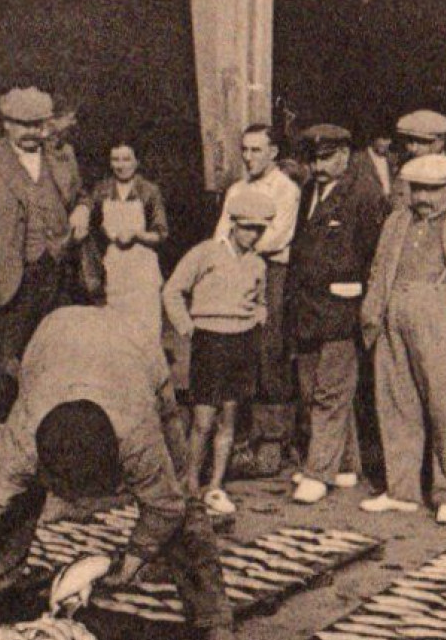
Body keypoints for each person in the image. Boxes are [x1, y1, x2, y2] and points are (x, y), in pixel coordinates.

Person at [0, 306, 241, 640]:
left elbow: (165, 506)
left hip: (135, 349)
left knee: (182, 495)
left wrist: (132, 562)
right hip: (54, 338)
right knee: (15, 497)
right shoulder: (23, 436)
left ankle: (214, 620)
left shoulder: (137, 435)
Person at [0, 87, 88, 421]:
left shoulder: (62, 155)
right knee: (6, 365)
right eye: (24, 125)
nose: (33, 133)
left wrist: (84, 209)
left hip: (59, 275)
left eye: (39, 125)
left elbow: (82, 195)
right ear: (6, 124)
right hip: (12, 278)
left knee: (58, 358)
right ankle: (3, 434)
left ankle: (52, 433)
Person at [360, 154, 446, 525]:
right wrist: (373, 312)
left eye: (432, 189)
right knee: (396, 401)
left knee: (445, 408)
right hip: (393, 309)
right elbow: (380, 267)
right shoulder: (398, 220)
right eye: (417, 189)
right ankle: (402, 490)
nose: (423, 197)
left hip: (441, 313)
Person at [285, 124, 390, 505]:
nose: (318, 165)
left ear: (345, 155)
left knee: (331, 389)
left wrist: (367, 306)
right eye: (313, 158)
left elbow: (373, 256)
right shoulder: (310, 190)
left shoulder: (364, 194)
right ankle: (345, 464)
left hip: (342, 306)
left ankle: (319, 472)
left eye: (326, 157)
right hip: (309, 306)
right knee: (314, 387)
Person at [163, 190, 273, 514]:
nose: (254, 235)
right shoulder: (205, 253)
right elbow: (172, 290)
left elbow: (261, 301)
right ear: (233, 224)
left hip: (242, 343)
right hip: (210, 342)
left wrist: (258, 317)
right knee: (203, 420)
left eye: (260, 229)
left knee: (229, 418)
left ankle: (215, 486)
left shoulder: (257, 263)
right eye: (248, 228)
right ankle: (190, 484)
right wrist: (186, 326)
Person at [211, 125, 301, 475]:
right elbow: (221, 232)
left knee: (269, 349)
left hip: (270, 272)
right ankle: (241, 437)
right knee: (238, 347)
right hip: (235, 270)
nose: (249, 157)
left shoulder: (285, 189)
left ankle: (274, 440)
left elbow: (278, 236)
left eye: (257, 150)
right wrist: (225, 260)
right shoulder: (236, 188)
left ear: (273, 152)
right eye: (245, 150)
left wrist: (242, 250)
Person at [82, 139, 169, 350]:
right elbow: (89, 219)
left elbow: (161, 233)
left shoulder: (148, 191)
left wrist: (137, 234)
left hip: (142, 265)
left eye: (126, 159)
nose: (120, 165)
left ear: (136, 162)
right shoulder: (102, 190)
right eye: (115, 159)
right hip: (114, 264)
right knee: (117, 323)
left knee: (146, 322)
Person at [388, 110, 446, 214]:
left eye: (421, 142)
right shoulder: (404, 171)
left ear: (440, 142)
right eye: (409, 141)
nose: (413, 148)